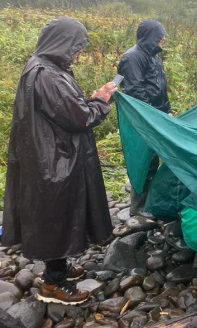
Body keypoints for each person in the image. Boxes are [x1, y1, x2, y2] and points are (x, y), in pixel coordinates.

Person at [3, 17, 118, 304]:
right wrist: (102, 102)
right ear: (62, 44)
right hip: (54, 159)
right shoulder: (48, 75)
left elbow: (66, 110)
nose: (77, 54)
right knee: (56, 215)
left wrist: (89, 99)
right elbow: (79, 118)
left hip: (47, 155)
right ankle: (54, 285)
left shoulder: (42, 67)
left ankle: (57, 268)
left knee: (54, 214)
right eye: (76, 48)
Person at [118, 19, 171, 216]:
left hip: (156, 115)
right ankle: (138, 207)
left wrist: (167, 110)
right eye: (159, 35)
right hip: (143, 119)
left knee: (153, 159)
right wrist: (151, 116)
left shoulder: (153, 55)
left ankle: (149, 199)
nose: (163, 38)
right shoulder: (133, 57)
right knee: (143, 161)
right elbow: (135, 91)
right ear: (149, 36)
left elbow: (160, 87)